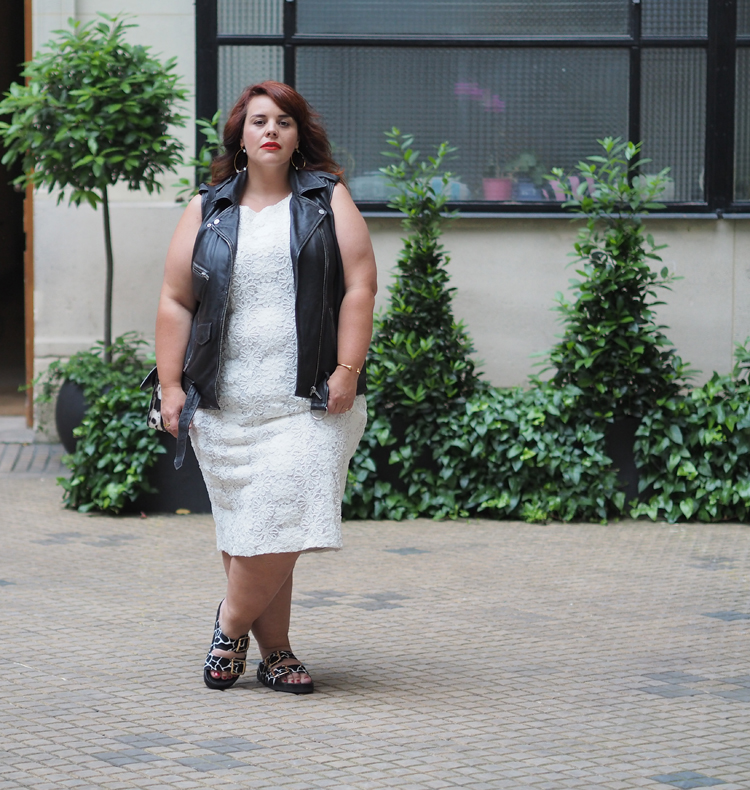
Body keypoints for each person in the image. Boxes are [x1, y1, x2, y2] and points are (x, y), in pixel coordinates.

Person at [154, 81, 377, 694]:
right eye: (258, 121)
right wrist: (170, 384)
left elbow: (360, 285)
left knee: (287, 506)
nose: (271, 130)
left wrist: (347, 369)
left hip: (308, 398)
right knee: (250, 528)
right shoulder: (208, 208)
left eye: (283, 120)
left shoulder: (327, 198)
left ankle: (228, 627)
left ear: (299, 135)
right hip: (224, 399)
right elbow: (176, 298)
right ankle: (276, 653)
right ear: (241, 136)